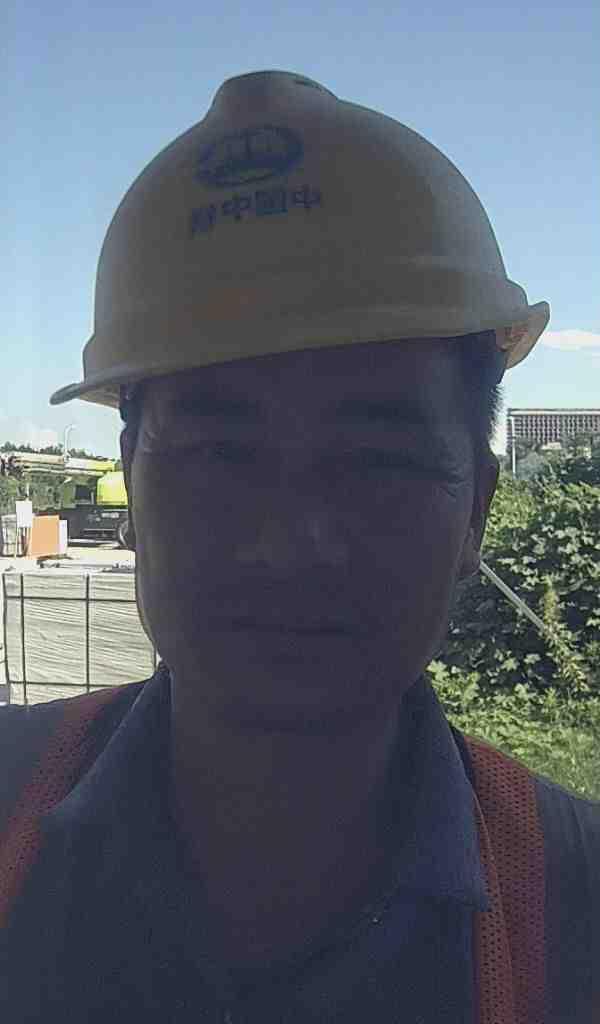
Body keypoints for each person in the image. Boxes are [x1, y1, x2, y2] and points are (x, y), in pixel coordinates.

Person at [1, 71, 598, 1023]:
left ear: (475, 512)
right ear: (134, 490)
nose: (290, 541)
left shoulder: (575, 912)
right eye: (220, 455)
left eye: (376, 460)